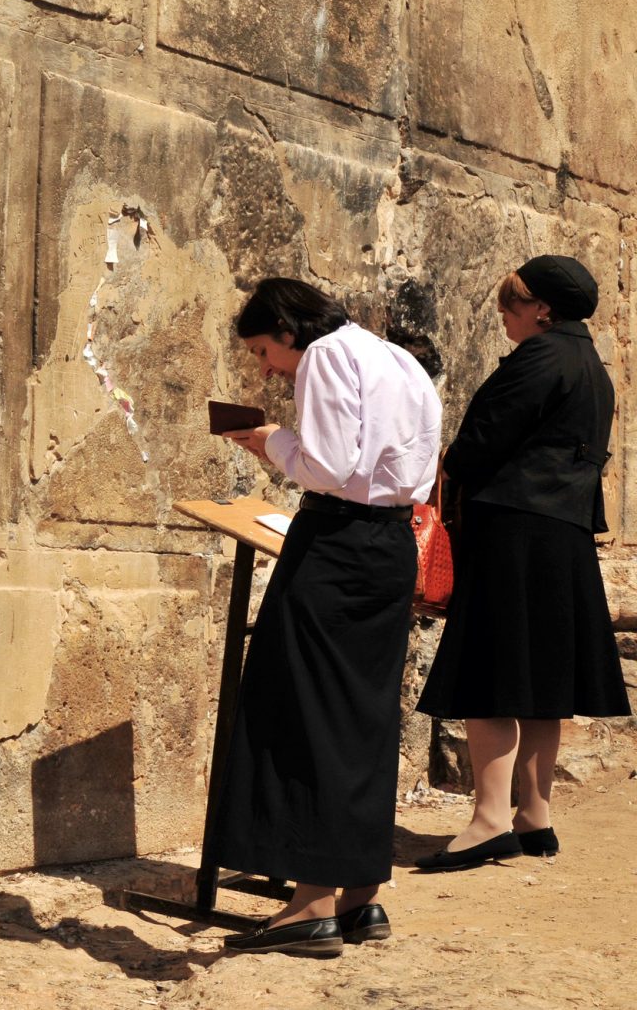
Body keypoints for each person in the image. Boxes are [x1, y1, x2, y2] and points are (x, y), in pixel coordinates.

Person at [209, 277, 442, 956]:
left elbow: (329, 466)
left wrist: (271, 440)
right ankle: (359, 897)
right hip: (390, 543)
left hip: (337, 544)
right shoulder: (396, 358)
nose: (266, 368)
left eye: (263, 350)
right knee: (362, 716)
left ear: (288, 330)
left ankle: (309, 905)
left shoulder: (325, 356)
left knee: (305, 710)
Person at [414, 255, 630, 871]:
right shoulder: (592, 367)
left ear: (542, 310)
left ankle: (489, 820)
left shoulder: (538, 358)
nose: (504, 315)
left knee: (492, 671)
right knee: (541, 679)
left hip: (514, 530)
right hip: (562, 533)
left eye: (512, 304)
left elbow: (483, 443)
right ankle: (535, 815)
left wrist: (449, 465)